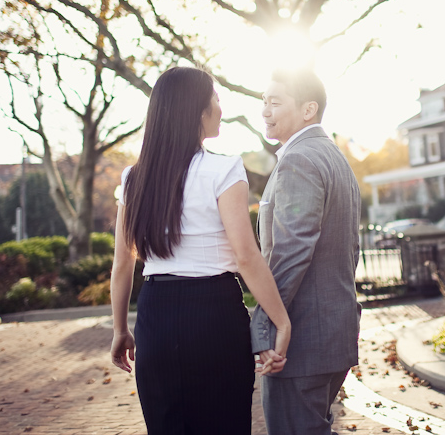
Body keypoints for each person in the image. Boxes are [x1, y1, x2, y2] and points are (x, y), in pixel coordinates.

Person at [109, 66, 290, 435]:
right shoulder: (224, 170)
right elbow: (246, 256)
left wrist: (119, 330)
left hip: (154, 319)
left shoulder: (133, 178)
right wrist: (281, 320)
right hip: (215, 317)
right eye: (217, 99)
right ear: (198, 110)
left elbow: (122, 262)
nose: (221, 108)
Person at [251, 68, 362, 435]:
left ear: (308, 109)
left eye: (275, 102)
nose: (265, 111)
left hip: (301, 341)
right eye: (263, 102)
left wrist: (266, 328)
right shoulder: (335, 158)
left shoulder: (299, 160)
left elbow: (291, 251)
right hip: (332, 333)